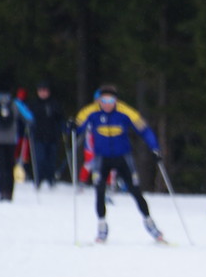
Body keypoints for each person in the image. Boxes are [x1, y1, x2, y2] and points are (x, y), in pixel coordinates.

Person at [74, 84, 165, 243]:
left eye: (111, 100)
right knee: (99, 191)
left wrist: (155, 148)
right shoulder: (90, 111)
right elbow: (77, 127)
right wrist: (70, 127)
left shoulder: (125, 111)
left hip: (123, 157)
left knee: (135, 190)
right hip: (101, 158)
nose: (107, 104)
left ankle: (151, 225)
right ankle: (102, 227)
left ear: (116, 100)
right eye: (104, 100)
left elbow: (144, 130)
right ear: (99, 100)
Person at [29, 81, 66, 189]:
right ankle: (38, 178)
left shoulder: (54, 104)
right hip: (38, 136)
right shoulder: (33, 104)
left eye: (45, 91)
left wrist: (62, 128)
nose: (43, 93)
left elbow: (60, 118)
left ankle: (51, 179)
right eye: (41, 91)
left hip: (52, 136)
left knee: (51, 159)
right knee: (40, 158)